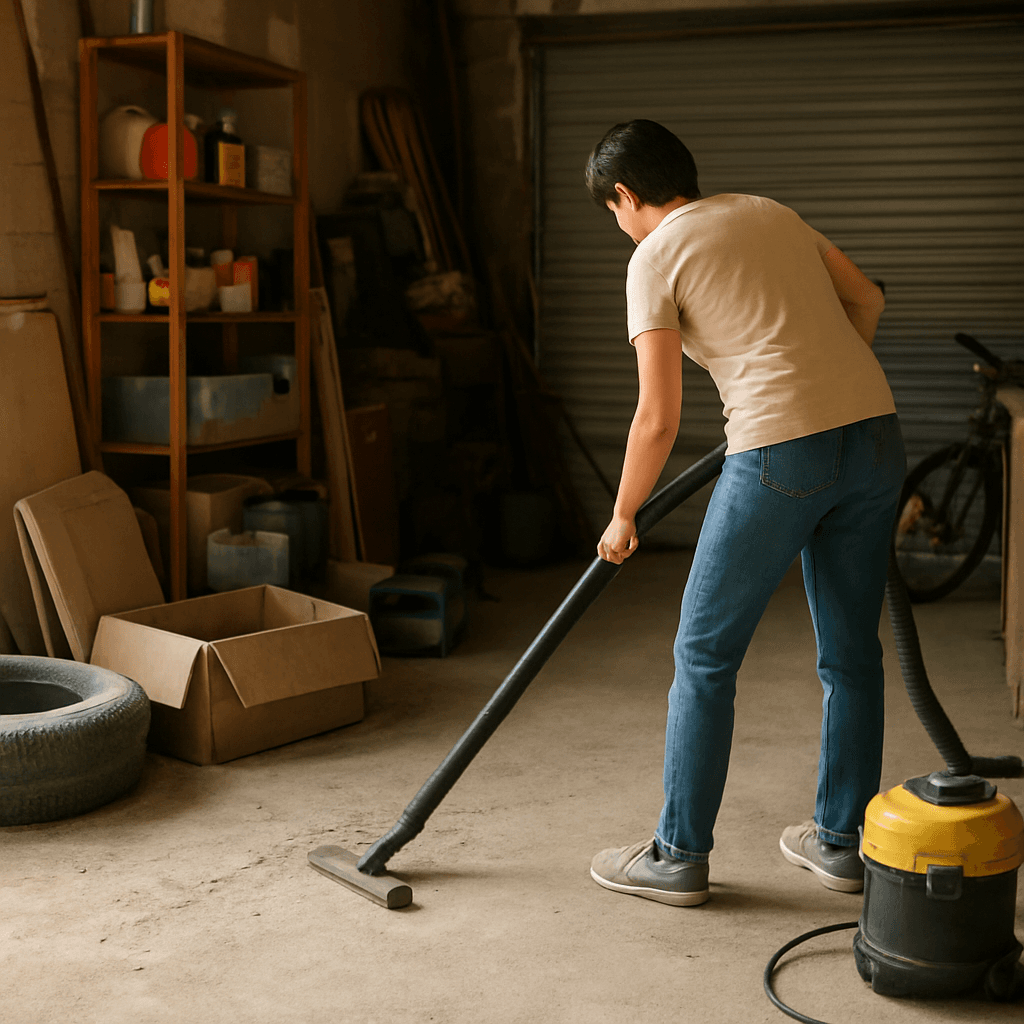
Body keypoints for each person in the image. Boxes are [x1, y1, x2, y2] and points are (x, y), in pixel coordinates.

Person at [586, 119, 906, 906]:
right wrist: (828, 391)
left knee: (704, 655)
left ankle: (677, 855)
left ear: (625, 195)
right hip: (874, 436)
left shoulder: (653, 255)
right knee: (851, 654)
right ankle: (842, 845)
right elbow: (866, 297)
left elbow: (657, 417)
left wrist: (623, 514)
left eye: (611, 209)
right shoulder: (768, 210)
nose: (617, 224)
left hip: (777, 453)